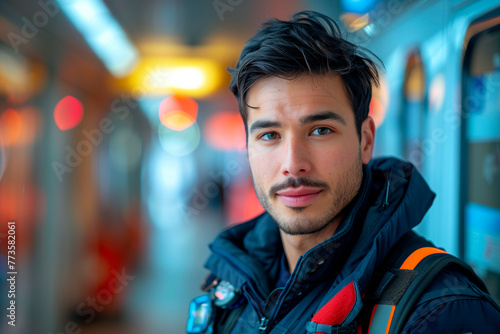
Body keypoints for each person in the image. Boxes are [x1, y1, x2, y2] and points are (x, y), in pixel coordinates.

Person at [189, 11, 500, 333]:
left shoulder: (437, 311)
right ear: (248, 148)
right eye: (269, 135)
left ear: (365, 141)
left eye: (320, 130)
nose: (293, 163)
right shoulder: (232, 282)